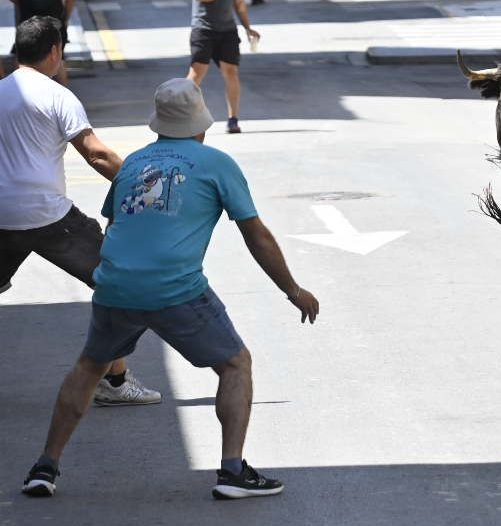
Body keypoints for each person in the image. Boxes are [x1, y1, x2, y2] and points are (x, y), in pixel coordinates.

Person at [20, 78, 319, 500]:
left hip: (116, 285)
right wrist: (293, 290)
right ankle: (233, 472)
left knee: (90, 368)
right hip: (176, 289)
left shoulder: (134, 165)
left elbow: (116, 225)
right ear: (201, 123)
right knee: (235, 365)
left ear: (158, 123)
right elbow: (257, 235)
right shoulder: (216, 163)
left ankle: (44, 468)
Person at [0, 18, 161, 411]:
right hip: (49, 216)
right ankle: (116, 380)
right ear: (54, 51)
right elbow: (97, 153)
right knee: (117, 283)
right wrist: (144, 188)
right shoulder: (57, 96)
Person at [188, 0, 259, 133]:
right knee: (196, 73)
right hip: (204, 27)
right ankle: (184, 117)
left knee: (231, 71)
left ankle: (233, 119)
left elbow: (238, 3)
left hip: (227, 29)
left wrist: (248, 27)